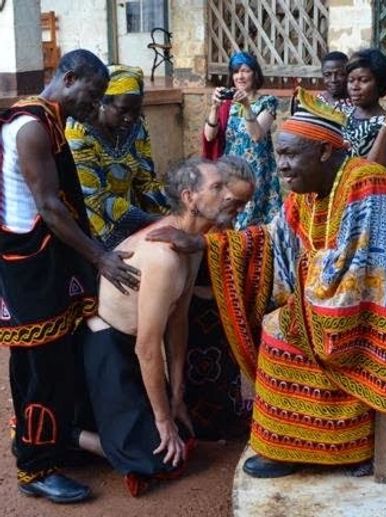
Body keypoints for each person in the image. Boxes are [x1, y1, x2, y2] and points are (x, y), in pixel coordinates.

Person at [147, 87, 386, 478]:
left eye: (292, 155)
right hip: (322, 298)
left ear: (325, 152)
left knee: (283, 333)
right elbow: (272, 239)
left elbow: (361, 267)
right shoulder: (304, 192)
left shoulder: (365, 182)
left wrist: (310, 294)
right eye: (280, 154)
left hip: (364, 310)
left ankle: (348, 449)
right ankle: (290, 444)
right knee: (275, 326)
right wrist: (206, 244)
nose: (283, 166)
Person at [0, 49, 139, 504]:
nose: (94, 104)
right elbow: (50, 207)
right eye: (92, 94)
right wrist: (100, 258)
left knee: (59, 362)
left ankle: (56, 445)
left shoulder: (48, 122)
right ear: (69, 76)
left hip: (45, 260)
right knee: (39, 368)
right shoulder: (33, 127)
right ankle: (35, 467)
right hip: (28, 265)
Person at [72, 158, 237, 496]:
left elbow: (178, 323)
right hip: (108, 345)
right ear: (190, 198)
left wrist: (176, 397)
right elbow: (147, 348)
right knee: (158, 458)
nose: (229, 195)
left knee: (183, 437)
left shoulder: (189, 243)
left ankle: (120, 428)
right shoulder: (163, 256)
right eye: (218, 188)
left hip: (133, 348)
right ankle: (67, 433)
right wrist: (163, 421)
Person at [185, 155, 255, 440]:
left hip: (218, 308)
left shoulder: (222, 227)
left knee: (224, 368)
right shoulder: (195, 225)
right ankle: (199, 423)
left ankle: (223, 415)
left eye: (242, 205)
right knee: (198, 370)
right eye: (233, 203)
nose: (238, 210)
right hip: (195, 310)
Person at [66, 64, 169, 250]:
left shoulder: (137, 128)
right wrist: (151, 221)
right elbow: (95, 198)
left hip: (131, 215)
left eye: (136, 110)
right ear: (101, 103)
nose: (130, 118)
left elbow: (145, 182)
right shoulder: (78, 132)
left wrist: (179, 207)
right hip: (91, 227)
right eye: (122, 110)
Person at [203, 51, 281, 229]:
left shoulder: (267, 102)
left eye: (245, 71)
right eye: (236, 72)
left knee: (252, 221)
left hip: (256, 171)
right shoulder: (227, 103)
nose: (240, 76)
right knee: (229, 217)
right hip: (230, 170)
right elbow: (209, 136)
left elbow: (256, 135)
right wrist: (215, 107)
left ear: (255, 73)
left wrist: (247, 106)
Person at [343, 48, 386, 162]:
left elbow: (374, 167)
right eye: (350, 80)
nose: (354, 87)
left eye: (363, 80)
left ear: (380, 84)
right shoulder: (341, 115)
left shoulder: (383, 123)